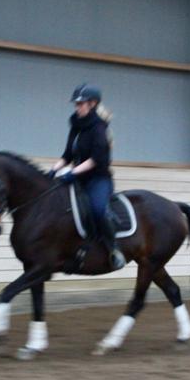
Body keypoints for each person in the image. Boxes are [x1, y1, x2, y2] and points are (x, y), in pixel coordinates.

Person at [49, 84, 126, 271]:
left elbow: (96, 160)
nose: (77, 107)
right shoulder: (76, 126)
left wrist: (72, 173)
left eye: (80, 103)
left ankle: (113, 249)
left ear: (92, 104)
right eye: (76, 104)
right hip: (78, 177)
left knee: (97, 209)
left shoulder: (99, 128)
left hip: (98, 179)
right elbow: (68, 155)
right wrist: (53, 169)